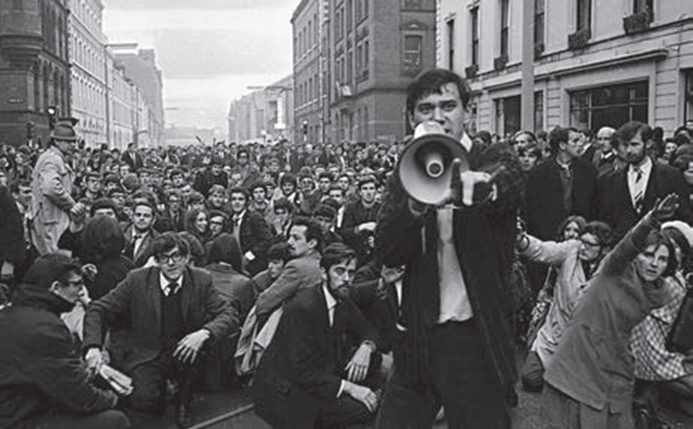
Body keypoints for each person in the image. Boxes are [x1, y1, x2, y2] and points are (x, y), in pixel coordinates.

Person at [375, 68, 525, 429]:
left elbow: (509, 180)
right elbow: (388, 250)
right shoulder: (407, 171)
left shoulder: (492, 156)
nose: (438, 117)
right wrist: (414, 206)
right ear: (412, 118)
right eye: (426, 109)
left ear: (467, 113)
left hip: (474, 333)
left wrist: (479, 186)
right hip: (419, 331)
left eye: (448, 106)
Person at [542, 194, 679, 429]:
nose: (655, 263)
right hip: (582, 356)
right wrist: (652, 219)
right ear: (636, 257)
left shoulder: (660, 290)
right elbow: (628, 245)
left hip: (616, 361)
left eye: (662, 259)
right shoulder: (613, 269)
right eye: (648, 255)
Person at [82, 233, 237, 428]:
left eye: (177, 256)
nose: (171, 263)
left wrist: (204, 333)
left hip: (186, 349)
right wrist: (93, 347)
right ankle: (161, 390)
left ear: (187, 258)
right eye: (164, 258)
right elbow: (99, 309)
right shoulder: (137, 279)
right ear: (156, 261)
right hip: (148, 351)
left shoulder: (201, 279)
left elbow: (228, 313)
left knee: (191, 363)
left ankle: (184, 399)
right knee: (146, 403)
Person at [253, 243, 381, 429]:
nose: (346, 279)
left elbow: (368, 329)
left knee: (375, 363)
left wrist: (366, 347)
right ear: (323, 273)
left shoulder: (342, 297)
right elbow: (300, 372)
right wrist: (351, 388)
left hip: (318, 373)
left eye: (351, 273)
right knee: (363, 408)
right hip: (287, 390)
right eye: (339, 271)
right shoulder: (302, 308)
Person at [0, 253, 130, 429]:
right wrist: (113, 398)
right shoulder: (47, 327)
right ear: (55, 288)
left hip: (15, 408)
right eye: (77, 284)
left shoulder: (11, 314)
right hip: (22, 418)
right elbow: (76, 394)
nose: (81, 290)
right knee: (116, 420)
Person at [517, 220, 614, 391]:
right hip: (554, 335)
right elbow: (542, 250)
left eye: (590, 245)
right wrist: (521, 240)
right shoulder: (571, 249)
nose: (583, 247)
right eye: (582, 242)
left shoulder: (609, 269)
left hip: (585, 342)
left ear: (603, 248)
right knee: (530, 377)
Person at [597, 121, 692, 238]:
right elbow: (604, 219)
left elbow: (684, 216)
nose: (629, 151)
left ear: (648, 143)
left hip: (659, 247)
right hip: (621, 248)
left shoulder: (671, 176)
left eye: (634, 144)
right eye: (625, 145)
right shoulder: (609, 180)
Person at [524, 126, 598, 241]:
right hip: (548, 235)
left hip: (581, 234)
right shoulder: (540, 172)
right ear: (562, 145)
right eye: (575, 141)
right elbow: (531, 207)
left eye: (581, 140)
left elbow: (594, 202)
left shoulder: (588, 169)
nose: (581, 144)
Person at [254, 216, 324, 318]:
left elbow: (264, 303)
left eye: (296, 238)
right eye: (289, 237)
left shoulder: (297, 267)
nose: (289, 242)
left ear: (312, 243)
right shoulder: (320, 262)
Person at [30, 121, 79, 255]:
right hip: (51, 219)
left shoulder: (54, 157)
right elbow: (51, 188)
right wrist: (71, 205)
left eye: (74, 142)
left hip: (51, 216)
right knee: (57, 260)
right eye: (68, 142)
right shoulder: (53, 159)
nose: (73, 145)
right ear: (56, 142)